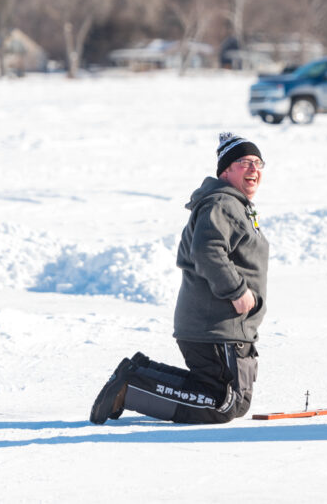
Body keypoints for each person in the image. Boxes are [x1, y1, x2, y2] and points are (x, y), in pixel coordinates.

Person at [89, 132, 269, 425]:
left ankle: (138, 374)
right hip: (215, 327)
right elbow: (207, 249)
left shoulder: (235, 205)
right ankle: (132, 386)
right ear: (225, 170)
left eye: (258, 163)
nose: (254, 169)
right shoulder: (222, 203)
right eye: (244, 162)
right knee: (225, 405)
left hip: (225, 327)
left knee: (233, 402)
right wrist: (237, 291)